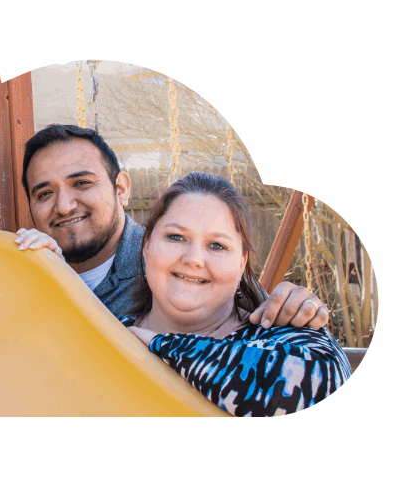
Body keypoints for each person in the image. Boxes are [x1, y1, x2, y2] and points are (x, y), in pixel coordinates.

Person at [15, 124, 330, 330]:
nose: (65, 205)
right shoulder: (25, 275)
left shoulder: (173, 268)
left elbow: (267, 325)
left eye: (82, 183)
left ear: (121, 189)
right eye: (44, 193)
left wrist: (300, 311)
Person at [118, 172, 351, 415]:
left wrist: (162, 346)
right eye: (176, 237)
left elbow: (323, 384)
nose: (194, 259)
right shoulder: (106, 328)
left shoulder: (281, 335)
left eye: (217, 245)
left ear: (242, 263)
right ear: (146, 246)